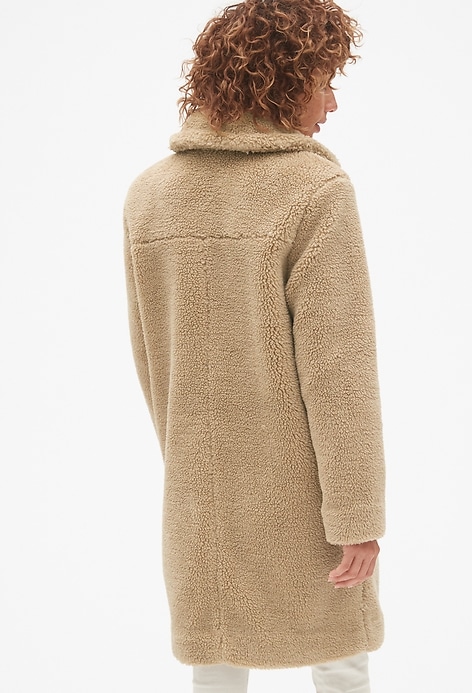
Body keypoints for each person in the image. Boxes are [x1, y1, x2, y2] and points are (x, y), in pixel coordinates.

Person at [123, 1, 386, 691]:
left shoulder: (150, 195)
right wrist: (357, 514)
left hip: (197, 491)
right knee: (342, 659)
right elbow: (340, 371)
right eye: (324, 83)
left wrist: (189, 461)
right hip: (307, 494)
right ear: (283, 81)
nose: (331, 104)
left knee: (214, 657)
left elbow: (151, 358)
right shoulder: (314, 189)